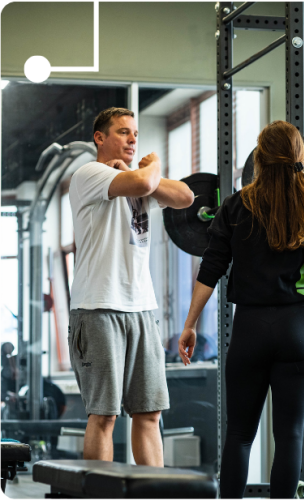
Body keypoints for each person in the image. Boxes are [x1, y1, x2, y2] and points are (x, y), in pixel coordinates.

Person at [178, 120, 304, 500]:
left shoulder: (236, 206)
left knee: (240, 435)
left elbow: (211, 268)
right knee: (290, 435)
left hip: (250, 330)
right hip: (297, 330)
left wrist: (190, 324)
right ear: (300, 158)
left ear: (259, 158)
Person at [68, 107, 194, 465]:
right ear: (100, 138)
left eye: (135, 134)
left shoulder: (141, 179)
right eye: (123, 132)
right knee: (104, 415)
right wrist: (151, 165)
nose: (133, 139)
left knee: (150, 413)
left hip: (141, 308)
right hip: (97, 308)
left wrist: (145, 173)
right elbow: (142, 184)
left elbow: (186, 197)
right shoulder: (89, 174)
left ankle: (153, 493)